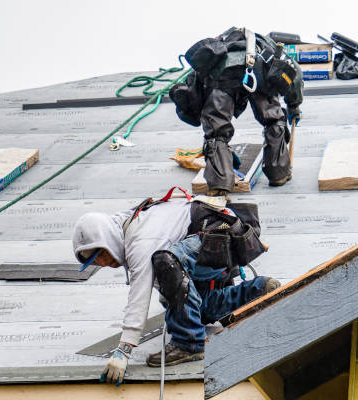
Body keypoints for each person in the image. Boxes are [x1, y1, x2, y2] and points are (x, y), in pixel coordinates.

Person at [71, 189, 280, 385]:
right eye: (96, 263)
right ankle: (258, 291)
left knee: (164, 262)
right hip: (216, 243)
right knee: (198, 311)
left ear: (108, 239)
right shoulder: (124, 226)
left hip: (219, 238)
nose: (104, 263)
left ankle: (188, 343)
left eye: (102, 255)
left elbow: (139, 294)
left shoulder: (140, 239)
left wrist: (124, 350)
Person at [170, 27, 304, 195]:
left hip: (222, 80)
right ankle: (278, 173)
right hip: (258, 73)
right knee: (273, 120)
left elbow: (196, 94)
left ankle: (219, 183)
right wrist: (294, 106)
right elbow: (295, 74)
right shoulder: (265, 46)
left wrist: (219, 150)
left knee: (216, 133)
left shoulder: (214, 51)